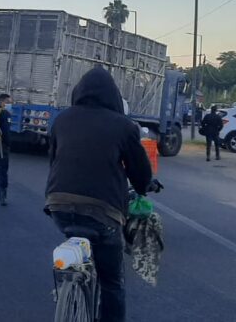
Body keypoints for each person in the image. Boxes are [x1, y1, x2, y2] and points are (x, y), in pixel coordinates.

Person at [45, 66, 155, 322]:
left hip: (59, 205)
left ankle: (69, 289)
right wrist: (144, 186)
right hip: (102, 213)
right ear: (113, 96)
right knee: (112, 282)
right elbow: (140, 172)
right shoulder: (124, 126)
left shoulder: (61, 120)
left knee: (76, 241)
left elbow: (54, 161)